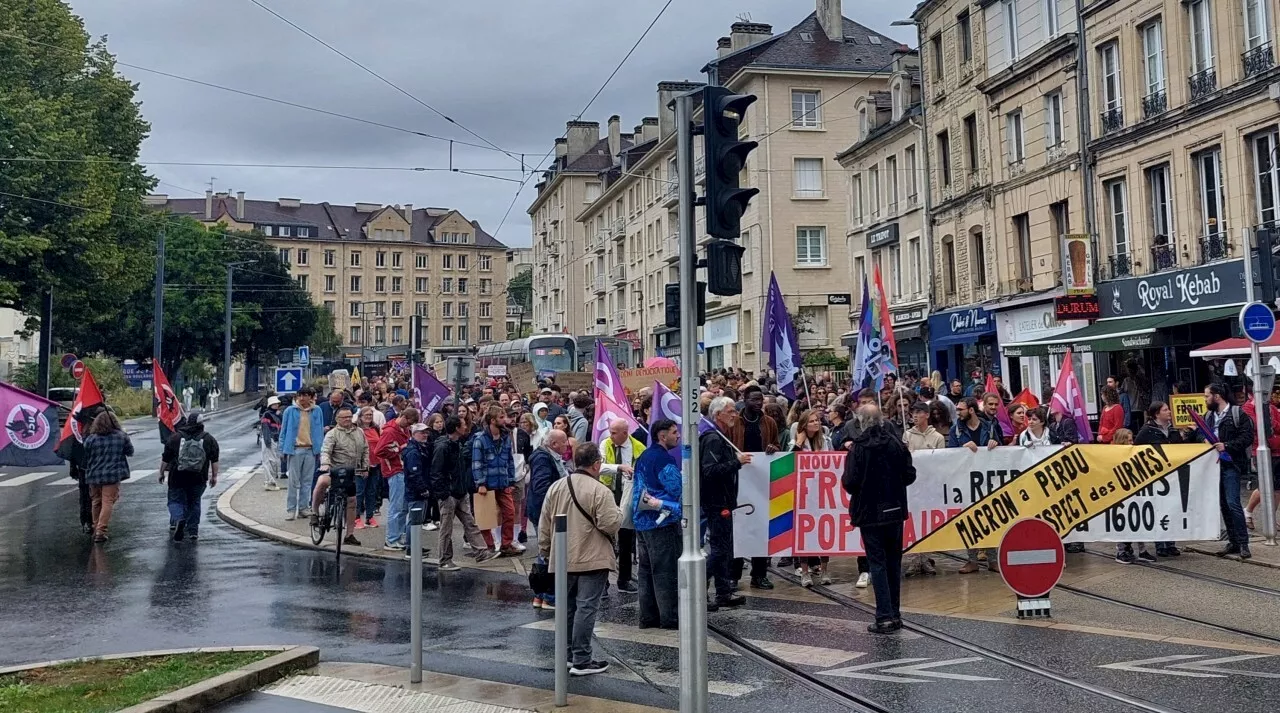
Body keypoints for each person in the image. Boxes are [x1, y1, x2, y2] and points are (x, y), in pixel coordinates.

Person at [538, 442, 622, 677]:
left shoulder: (556, 487)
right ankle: (582, 659)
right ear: (596, 465)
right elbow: (610, 523)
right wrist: (620, 512)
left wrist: (546, 551)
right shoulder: (600, 491)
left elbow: (544, 523)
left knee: (567, 607)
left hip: (562, 556)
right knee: (586, 607)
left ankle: (566, 655)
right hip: (592, 556)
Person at [843, 405, 916, 633]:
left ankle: (884, 616)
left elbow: (850, 482)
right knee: (894, 562)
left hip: (869, 513)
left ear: (862, 422)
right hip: (894, 510)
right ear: (882, 420)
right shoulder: (896, 444)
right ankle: (894, 614)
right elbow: (909, 475)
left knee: (877, 563)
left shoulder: (858, 448)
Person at [700, 396, 752, 610]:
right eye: (730, 411)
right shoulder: (713, 438)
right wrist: (736, 463)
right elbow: (709, 471)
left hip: (724, 500)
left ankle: (723, 593)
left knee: (726, 547)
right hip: (716, 501)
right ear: (718, 414)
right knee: (720, 549)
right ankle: (700, 583)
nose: (735, 415)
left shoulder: (721, 436)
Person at [632, 419, 682, 629]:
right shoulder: (664, 460)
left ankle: (648, 617)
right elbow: (678, 490)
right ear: (662, 436)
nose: (678, 435)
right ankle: (669, 618)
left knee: (645, 571)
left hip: (642, 521)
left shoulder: (644, 455)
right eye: (674, 432)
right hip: (661, 522)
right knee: (665, 571)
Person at [432, 416, 495, 571]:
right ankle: (444, 560)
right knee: (446, 529)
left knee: (470, 522)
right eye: (463, 425)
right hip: (450, 494)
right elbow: (436, 472)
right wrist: (444, 494)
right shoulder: (443, 447)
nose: (466, 426)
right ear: (456, 428)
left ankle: (481, 551)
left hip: (460, 491)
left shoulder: (456, 444)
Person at [948, 397, 1000, 573]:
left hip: (987, 479)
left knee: (990, 517)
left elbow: (1002, 451)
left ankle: (993, 559)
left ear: (970, 410)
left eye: (961, 410)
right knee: (969, 519)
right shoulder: (956, 430)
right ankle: (972, 559)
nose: (958, 413)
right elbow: (950, 454)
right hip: (966, 480)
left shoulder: (989, 427)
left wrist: (995, 443)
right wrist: (962, 448)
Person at [1202, 383, 1253, 559]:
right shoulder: (1208, 415)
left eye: (1207, 396)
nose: (1205, 399)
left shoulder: (1237, 414)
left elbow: (1247, 437)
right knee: (1223, 503)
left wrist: (1227, 446)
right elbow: (1202, 434)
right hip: (1214, 465)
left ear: (1217, 396)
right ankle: (1234, 541)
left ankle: (1243, 543)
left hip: (1231, 464)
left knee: (1233, 503)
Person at [159, 410, 220, 543]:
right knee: (194, 502)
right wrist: (214, 476)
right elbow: (214, 460)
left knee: (175, 501)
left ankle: (178, 519)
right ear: (201, 423)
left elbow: (166, 458)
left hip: (177, 477)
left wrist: (161, 472)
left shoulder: (175, 437)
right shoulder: (209, 439)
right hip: (198, 477)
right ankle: (193, 531)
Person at [311, 406, 369, 546]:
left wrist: (365, 467)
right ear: (337, 419)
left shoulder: (359, 432)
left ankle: (349, 534)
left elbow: (366, 450)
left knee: (352, 501)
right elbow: (325, 450)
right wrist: (325, 464)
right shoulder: (332, 434)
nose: (348, 419)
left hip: (352, 473)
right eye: (344, 417)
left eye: (349, 416)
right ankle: (315, 512)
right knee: (322, 482)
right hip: (334, 471)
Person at [599, 419, 643, 593]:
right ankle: (603, 582)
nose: (611, 435)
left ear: (625, 433)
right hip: (609, 494)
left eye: (614, 432)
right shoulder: (606, 444)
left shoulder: (638, 447)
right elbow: (600, 467)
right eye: (610, 431)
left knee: (626, 537)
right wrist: (619, 467)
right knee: (606, 538)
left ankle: (624, 579)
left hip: (627, 495)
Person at [792, 408, 832, 587]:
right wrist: (799, 443)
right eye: (811, 421)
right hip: (804, 493)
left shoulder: (825, 441)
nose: (816, 423)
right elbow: (789, 461)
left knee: (825, 530)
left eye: (817, 420)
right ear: (803, 425)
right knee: (804, 533)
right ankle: (805, 571)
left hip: (823, 492)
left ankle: (824, 569)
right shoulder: (797, 442)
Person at [473, 406, 519, 556]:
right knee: (485, 516)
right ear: (492, 420)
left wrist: (511, 480)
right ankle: (489, 546)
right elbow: (477, 463)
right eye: (501, 417)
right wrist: (480, 483)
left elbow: (510, 460)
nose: (504, 420)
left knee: (509, 513)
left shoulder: (506, 437)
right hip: (487, 483)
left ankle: (506, 544)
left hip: (503, 481)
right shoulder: (480, 439)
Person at [82, 411, 134, 543]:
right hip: (112, 474)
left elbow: (85, 454)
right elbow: (130, 451)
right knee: (108, 501)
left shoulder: (91, 439)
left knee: (96, 501)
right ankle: (101, 530)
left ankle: (95, 527)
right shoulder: (121, 437)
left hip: (94, 474)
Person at [376, 406, 420, 550]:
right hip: (394, 471)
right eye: (408, 423)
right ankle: (391, 539)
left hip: (401, 470)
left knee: (402, 507)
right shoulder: (389, 432)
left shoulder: (403, 430)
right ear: (404, 417)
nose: (409, 426)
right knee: (396, 507)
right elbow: (379, 451)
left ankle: (397, 536)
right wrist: (399, 449)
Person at [280, 386, 325, 520]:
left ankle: (304, 508)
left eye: (305, 395)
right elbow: (284, 430)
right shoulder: (290, 410)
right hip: (295, 449)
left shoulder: (317, 410)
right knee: (293, 481)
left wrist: (321, 449)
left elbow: (320, 430)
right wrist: (282, 449)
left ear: (311, 397)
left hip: (311, 449)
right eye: (300, 395)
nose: (302, 398)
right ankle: (291, 509)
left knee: (307, 481)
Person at [402, 421, 435, 557]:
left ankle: (414, 545)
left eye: (426, 432)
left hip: (417, 488)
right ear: (414, 434)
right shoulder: (413, 451)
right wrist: (422, 489)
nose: (425, 435)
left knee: (417, 520)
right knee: (414, 520)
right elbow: (414, 473)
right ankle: (411, 548)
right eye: (422, 433)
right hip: (415, 490)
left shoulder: (420, 448)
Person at [356, 406, 382, 529]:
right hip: (361, 465)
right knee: (359, 492)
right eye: (366, 415)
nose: (368, 417)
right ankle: (356, 518)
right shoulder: (356, 429)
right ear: (360, 416)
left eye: (370, 415)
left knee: (372, 492)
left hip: (375, 464)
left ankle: (369, 517)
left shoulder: (375, 428)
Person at [259, 396, 283, 491]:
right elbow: (265, 428)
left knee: (273, 460)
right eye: (275, 404)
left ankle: (271, 480)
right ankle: (269, 480)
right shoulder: (267, 415)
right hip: (269, 439)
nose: (277, 405)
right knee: (268, 460)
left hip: (275, 439)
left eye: (277, 404)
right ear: (271, 405)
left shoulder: (277, 415)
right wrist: (267, 440)